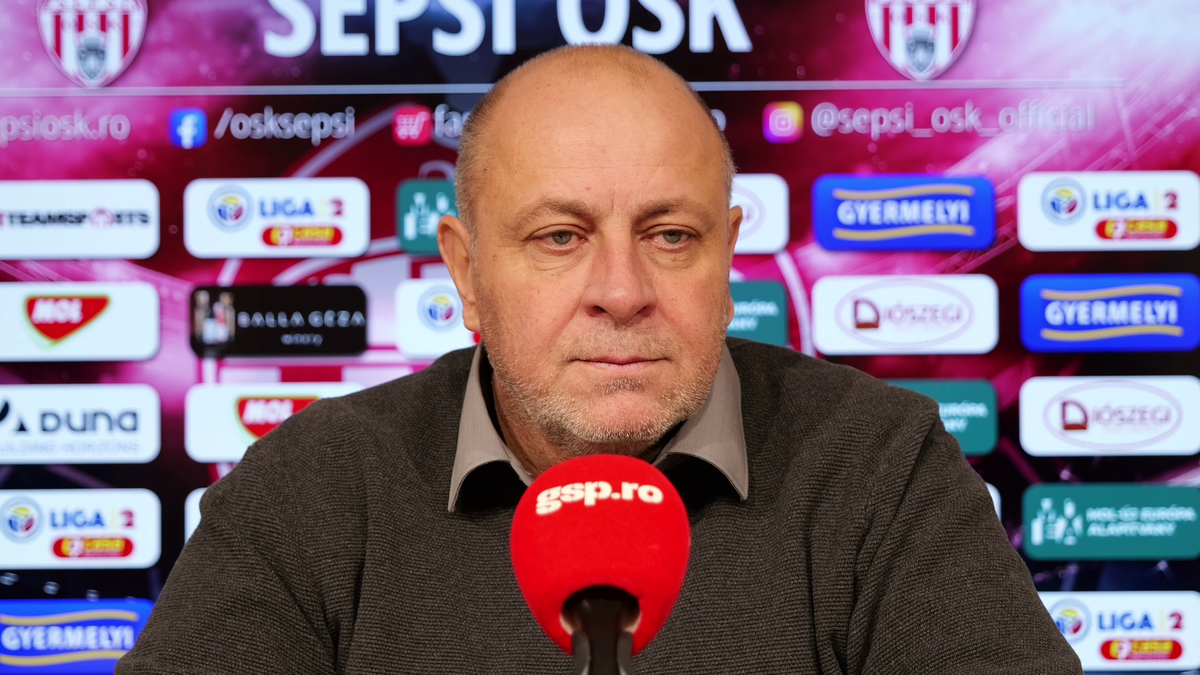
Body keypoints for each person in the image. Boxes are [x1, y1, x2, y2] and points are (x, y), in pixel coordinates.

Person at [118, 45, 1082, 674]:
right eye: (559, 237)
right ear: (466, 271)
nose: (622, 291)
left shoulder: (879, 461)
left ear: (728, 258)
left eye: (671, 236)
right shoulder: (314, 485)